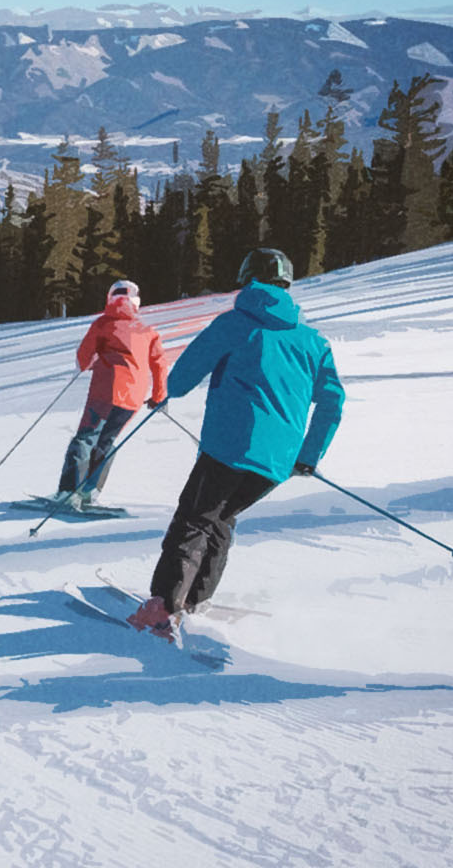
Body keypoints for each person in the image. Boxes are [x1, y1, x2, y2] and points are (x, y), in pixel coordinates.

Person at [127, 248, 345, 641]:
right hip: (277, 462)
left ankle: (163, 607)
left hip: (229, 446)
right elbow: (333, 401)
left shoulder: (235, 323)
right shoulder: (313, 341)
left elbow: (184, 376)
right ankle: (194, 599)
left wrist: (168, 392)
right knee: (221, 520)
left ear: (247, 279)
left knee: (195, 518)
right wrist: (308, 455)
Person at [53, 279, 168, 509]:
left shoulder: (103, 324)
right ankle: (90, 492)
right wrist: (159, 397)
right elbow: (159, 365)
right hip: (133, 398)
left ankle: (68, 492)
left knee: (86, 438)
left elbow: (83, 357)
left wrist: (86, 364)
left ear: (110, 299)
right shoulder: (148, 331)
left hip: (105, 392)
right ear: (136, 302)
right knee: (106, 441)